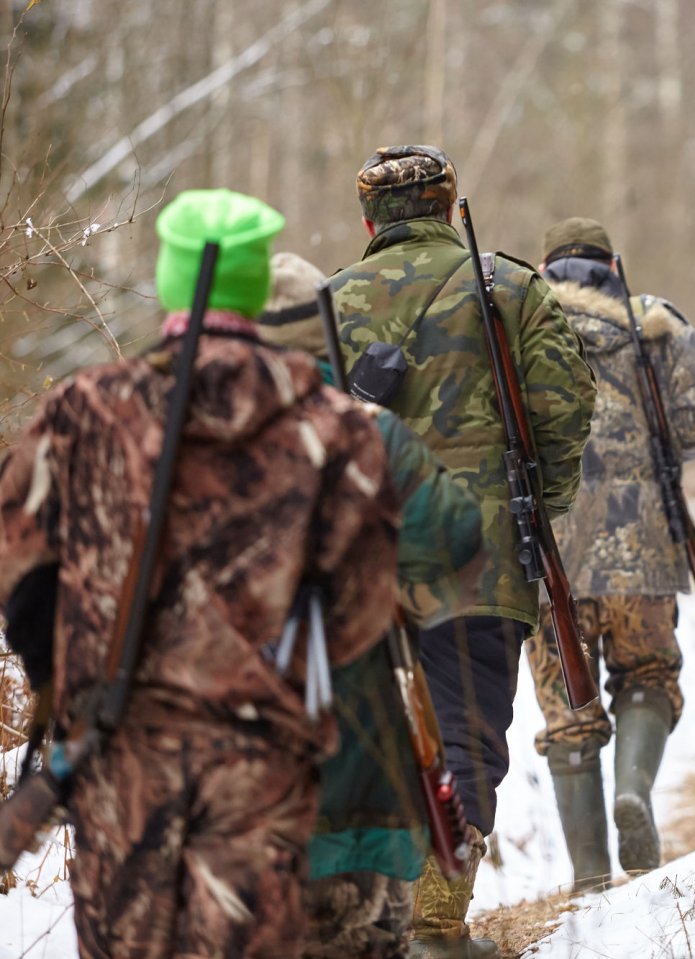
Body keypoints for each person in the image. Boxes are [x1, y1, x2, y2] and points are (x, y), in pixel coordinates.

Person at [0, 189, 400, 959]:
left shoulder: (81, 412)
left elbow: (17, 566)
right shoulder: (334, 429)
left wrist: (64, 670)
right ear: (256, 289)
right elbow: (361, 613)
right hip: (262, 766)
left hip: (117, 760)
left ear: (170, 280)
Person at [331, 146, 596, 958]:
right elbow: (564, 408)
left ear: (370, 222)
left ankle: (365, 922)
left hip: (357, 558)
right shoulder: (510, 287)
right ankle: (435, 923)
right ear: (448, 209)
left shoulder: (328, 302)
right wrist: (535, 511)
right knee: (466, 734)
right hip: (478, 556)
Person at [259, 251, 490, 959]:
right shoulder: (365, 432)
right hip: (351, 786)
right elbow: (456, 539)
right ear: (323, 332)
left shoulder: (165, 434)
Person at [526, 218, 695, 891]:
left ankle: (589, 881)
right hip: (640, 548)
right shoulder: (651, 324)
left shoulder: (517, 327)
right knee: (647, 674)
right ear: (611, 266)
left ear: (545, 270)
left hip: (548, 558)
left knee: (567, 714)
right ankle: (634, 791)